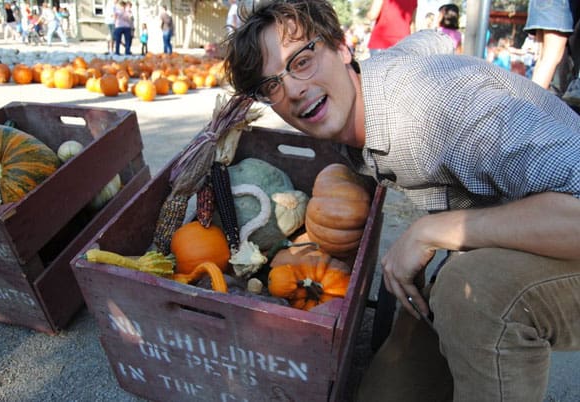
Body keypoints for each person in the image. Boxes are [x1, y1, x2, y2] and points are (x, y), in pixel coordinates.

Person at [223, 1, 580, 402]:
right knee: (389, 385)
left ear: (342, 48)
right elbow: (430, 41)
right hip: (522, 229)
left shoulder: (444, 109)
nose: (292, 90)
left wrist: (432, 230)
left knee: (475, 291)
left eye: (302, 61)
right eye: (271, 85)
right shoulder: (369, 83)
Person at [524, 0, 579, 92]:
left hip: (540, 4)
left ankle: (527, 101)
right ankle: (532, 102)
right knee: (551, 58)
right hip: (559, 4)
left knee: (542, 58)